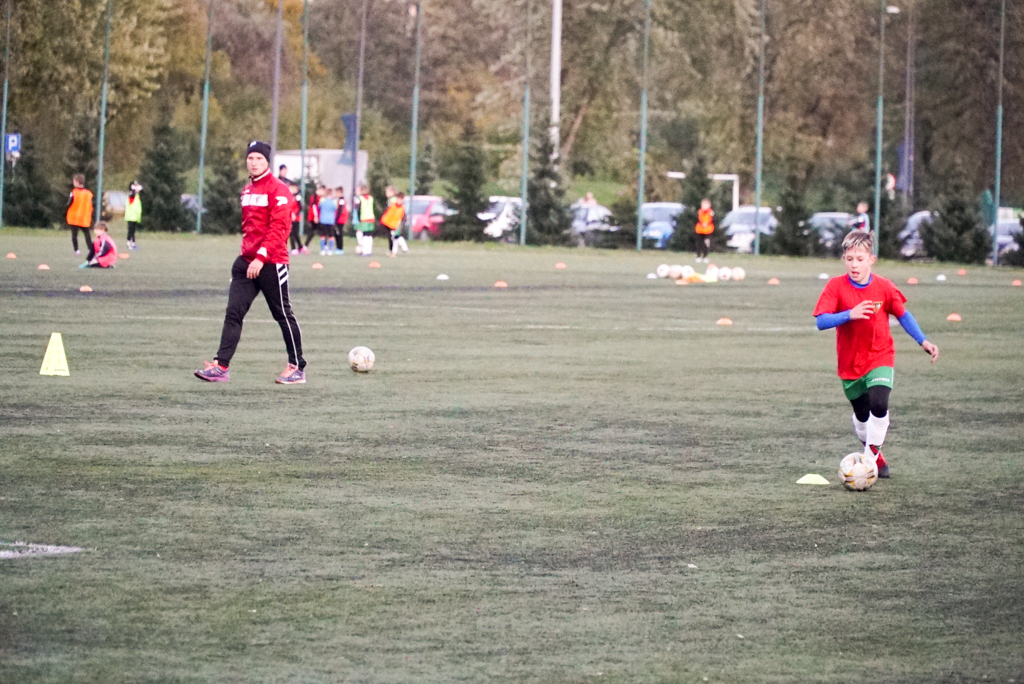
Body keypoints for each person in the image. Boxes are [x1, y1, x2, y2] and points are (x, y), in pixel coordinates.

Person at [813, 230, 939, 478]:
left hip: (880, 356)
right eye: (849, 259)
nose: (854, 265)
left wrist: (923, 340)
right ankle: (876, 456)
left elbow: (903, 314)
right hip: (850, 363)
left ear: (871, 260)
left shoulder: (884, 287)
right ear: (844, 259)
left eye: (860, 259)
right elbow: (821, 321)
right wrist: (849, 314)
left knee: (879, 404)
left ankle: (868, 462)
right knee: (862, 416)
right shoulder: (836, 286)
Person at [194, 141, 306, 385]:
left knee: (282, 313)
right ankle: (221, 366)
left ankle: (297, 367)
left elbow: (279, 228)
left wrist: (261, 256)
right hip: (246, 262)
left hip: (271, 262)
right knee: (233, 313)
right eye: (250, 158)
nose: (254, 162)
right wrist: (248, 255)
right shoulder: (247, 190)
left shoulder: (279, 190)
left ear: (267, 161)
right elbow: (250, 228)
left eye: (259, 158)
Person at [66, 174, 94, 259]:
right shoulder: (88, 193)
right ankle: (90, 249)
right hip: (84, 217)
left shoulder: (74, 192)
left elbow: (69, 203)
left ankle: (76, 250)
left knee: (74, 234)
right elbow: (91, 204)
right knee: (87, 234)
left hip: (74, 216)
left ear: (77, 182)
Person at [380, 187, 409, 257]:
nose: (399, 201)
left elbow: (403, 217)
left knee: (395, 237)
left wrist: (402, 224)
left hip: (396, 224)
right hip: (390, 223)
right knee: (395, 237)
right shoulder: (393, 204)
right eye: (398, 199)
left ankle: (397, 250)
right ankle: (398, 250)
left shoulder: (401, 206)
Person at [354, 184, 376, 256]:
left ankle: (365, 251)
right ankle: (369, 251)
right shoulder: (371, 198)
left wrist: (358, 218)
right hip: (371, 218)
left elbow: (357, 209)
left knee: (365, 235)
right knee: (369, 235)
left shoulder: (360, 198)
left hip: (364, 218)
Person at [318, 187, 340, 255]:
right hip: (331, 220)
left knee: (323, 235)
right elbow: (336, 208)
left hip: (323, 220)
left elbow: (319, 207)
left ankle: (323, 250)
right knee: (331, 236)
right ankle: (330, 250)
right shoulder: (334, 201)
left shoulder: (322, 199)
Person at [287, 182, 304, 255]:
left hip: (295, 218)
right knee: (291, 233)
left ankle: (296, 248)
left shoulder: (297, 197)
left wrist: (295, 214)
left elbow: (301, 207)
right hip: (290, 217)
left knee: (294, 233)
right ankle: (299, 247)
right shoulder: (289, 196)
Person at [303, 186, 322, 253]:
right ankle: (305, 246)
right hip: (314, 217)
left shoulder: (320, 197)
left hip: (318, 217)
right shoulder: (314, 197)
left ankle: (305, 246)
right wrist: (316, 216)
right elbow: (314, 206)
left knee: (315, 231)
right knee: (313, 231)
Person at [694, 198, 714, 263]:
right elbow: (697, 219)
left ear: (709, 206)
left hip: (708, 231)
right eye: (703, 205)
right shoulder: (699, 212)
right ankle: (698, 256)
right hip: (700, 230)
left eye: (706, 205)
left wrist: (706, 223)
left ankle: (705, 256)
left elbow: (711, 220)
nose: (704, 206)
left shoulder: (711, 213)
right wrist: (702, 223)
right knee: (699, 244)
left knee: (706, 244)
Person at [124, 181, 142, 250]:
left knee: (133, 230)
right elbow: (132, 195)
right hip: (130, 216)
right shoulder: (131, 194)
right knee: (130, 230)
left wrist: (140, 189)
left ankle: (133, 243)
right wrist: (134, 190)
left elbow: (143, 193)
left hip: (135, 216)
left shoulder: (137, 195)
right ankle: (129, 243)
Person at [333, 188, 349, 254]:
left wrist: (336, 218)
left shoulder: (341, 199)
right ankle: (338, 247)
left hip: (340, 219)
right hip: (339, 218)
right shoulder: (339, 199)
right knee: (337, 233)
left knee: (339, 233)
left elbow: (340, 209)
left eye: (337, 192)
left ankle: (340, 248)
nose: (336, 194)